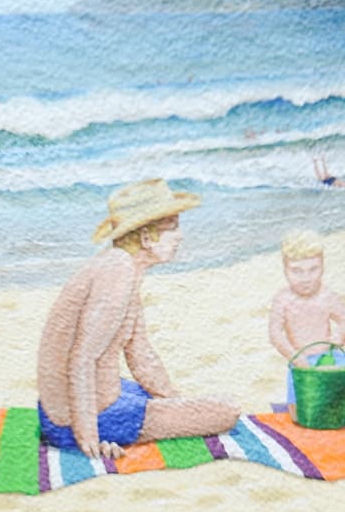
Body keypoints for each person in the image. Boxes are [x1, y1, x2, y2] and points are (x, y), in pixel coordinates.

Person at [37, 177, 240, 459]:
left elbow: (140, 355)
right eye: (173, 228)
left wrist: (174, 401)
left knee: (175, 401)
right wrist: (88, 438)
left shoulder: (125, 270)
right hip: (76, 420)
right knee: (226, 412)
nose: (180, 236)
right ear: (146, 237)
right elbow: (82, 358)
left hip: (81, 406)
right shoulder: (117, 270)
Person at [268, 229, 345, 404]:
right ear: (285, 269)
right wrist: (294, 355)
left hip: (330, 356)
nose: (306, 277)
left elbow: (343, 320)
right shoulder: (283, 299)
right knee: (300, 406)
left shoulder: (327, 296)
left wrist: (337, 338)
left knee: (337, 402)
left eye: (313, 269)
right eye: (297, 271)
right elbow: (275, 334)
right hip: (300, 358)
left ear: (323, 267)